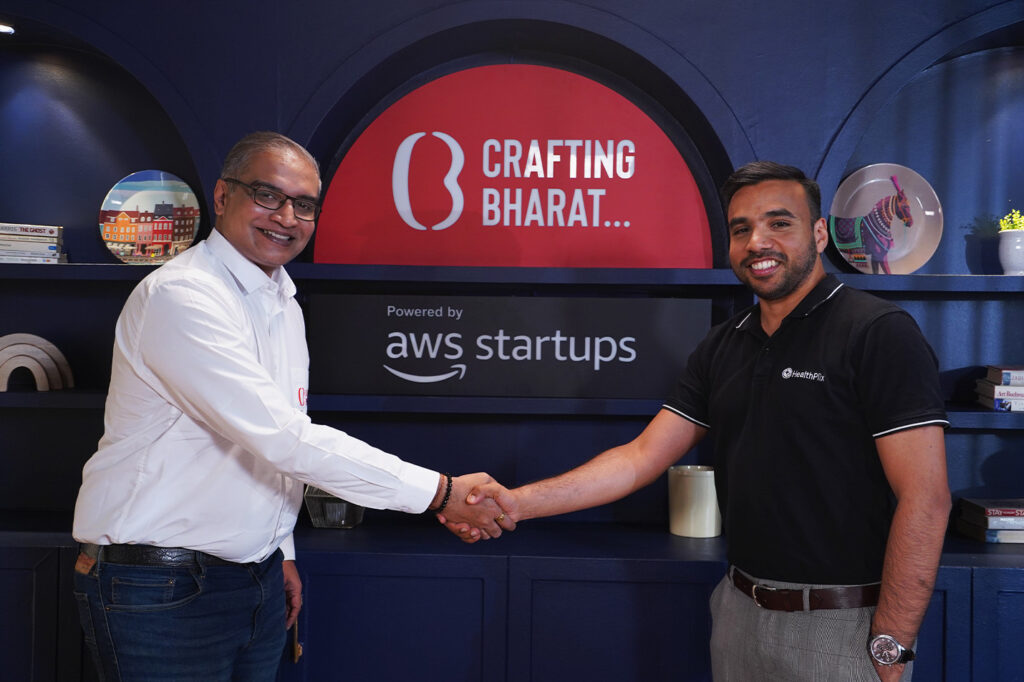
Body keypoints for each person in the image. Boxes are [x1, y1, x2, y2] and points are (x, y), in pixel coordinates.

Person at [446, 161, 951, 681]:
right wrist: (517, 503)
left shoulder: (877, 332)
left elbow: (926, 498)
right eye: (741, 229)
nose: (758, 242)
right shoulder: (723, 344)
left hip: (842, 624)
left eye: (780, 223)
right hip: (737, 613)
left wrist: (892, 644)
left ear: (819, 233)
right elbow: (640, 458)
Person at [72, 131, 514, 681]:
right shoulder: (181, 296)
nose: (286, 217)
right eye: (268, 195)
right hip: (159, 588)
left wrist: (280, 552)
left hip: (252, 581)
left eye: (304, 205)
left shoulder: (283, 301)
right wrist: (443, 494)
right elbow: (284, 439)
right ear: (223, 196)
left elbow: (277, 439)